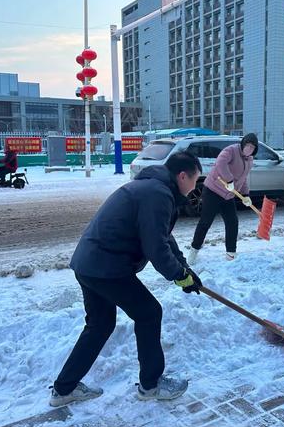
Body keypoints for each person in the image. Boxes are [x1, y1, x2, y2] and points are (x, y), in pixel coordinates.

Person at [50, 151, 203, 407]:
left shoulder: (153, 188)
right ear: (182, 175)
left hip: (90, 264)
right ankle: (151, 385)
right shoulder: (159, 195)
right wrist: (179, 276)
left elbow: (163, 236)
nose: (195, 187)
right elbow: (156, 247)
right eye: (195, 180)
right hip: (107, 266)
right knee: (149, 313)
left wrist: (184, 268)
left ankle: (64, 389)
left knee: (99, 324)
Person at [188, 133, 258, 264]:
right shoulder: (231, 150)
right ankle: (193, 251)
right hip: (213, 191)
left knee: (232, 222)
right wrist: (229, 179)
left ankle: (231, 254)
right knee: (205, 222)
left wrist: (246, 195)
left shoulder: (249, 160)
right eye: (247, 145)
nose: (249, 148)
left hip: (228, 195)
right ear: (243, 144)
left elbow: (243, 179)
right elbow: (220, 163)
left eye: (252, 147)